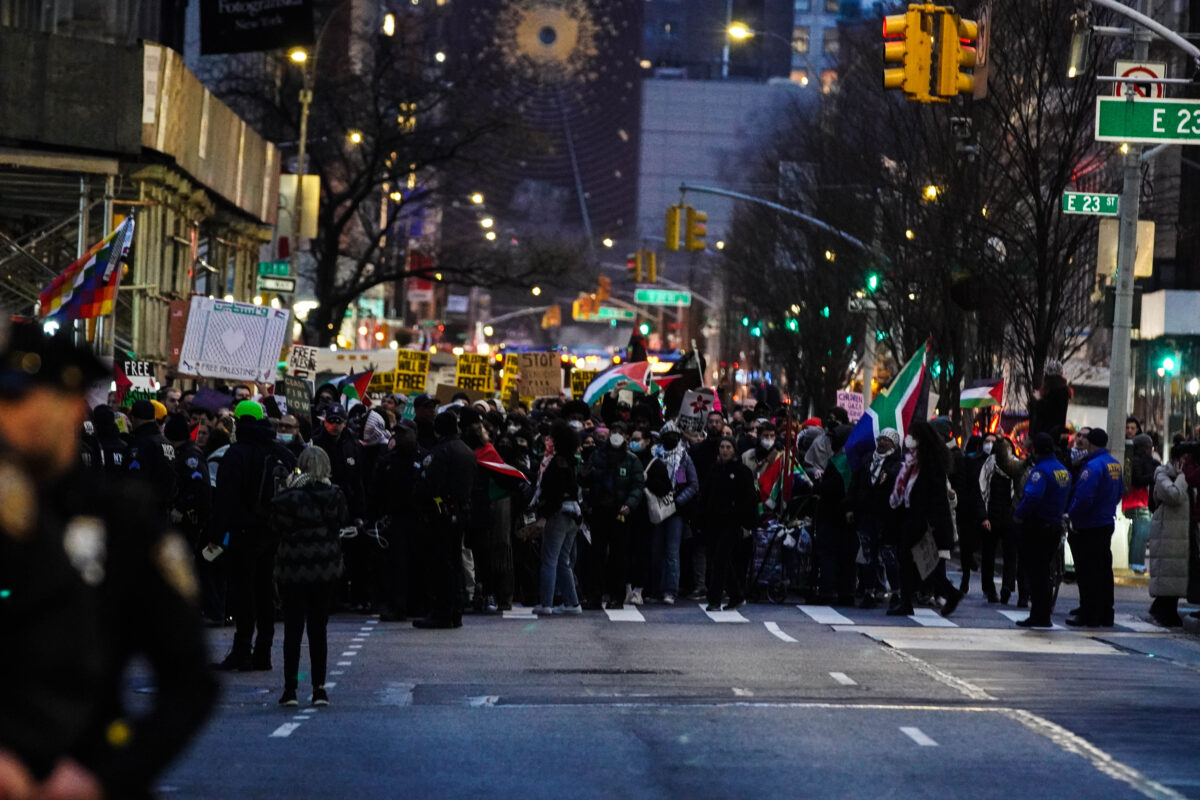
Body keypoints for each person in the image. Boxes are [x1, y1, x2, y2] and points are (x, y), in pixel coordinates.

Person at [0, 322, 217, 800]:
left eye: (21, 399)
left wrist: (104, 777)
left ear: (71, 405)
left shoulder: (122, 522)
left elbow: (189, 683)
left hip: (88, 767)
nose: (6, 417)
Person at [208, 400, 299, 670]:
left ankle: (242, 651)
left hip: (243, 534)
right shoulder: (282, 453)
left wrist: (216, 534)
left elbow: (224, 499)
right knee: (265, 594)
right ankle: (264, 652)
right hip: (275, 533)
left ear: (238, 420)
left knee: (243, 594)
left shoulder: (236, 454)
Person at [272, 447, 348, 707]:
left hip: (292, 568)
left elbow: (275, 525)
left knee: (293, 629)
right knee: (319, 629)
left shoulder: (287, 497)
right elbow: (341, 521)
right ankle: (319, 688)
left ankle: (290, 689)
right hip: (325, 567)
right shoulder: (335, 495)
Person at [888, 420, 962, 617]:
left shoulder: (929, 463)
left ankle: (907, 602)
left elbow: (932, 495)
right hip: (919, 518)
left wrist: (928, 522)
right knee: (923, 561)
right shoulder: (923, 460)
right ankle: (949, 593)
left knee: (910, 558)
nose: (909, 438)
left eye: (913, 435)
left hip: (925, 520)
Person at [414, 411, 476, 628]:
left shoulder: (439, 453)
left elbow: (430, 485)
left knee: (440, 564)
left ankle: (441, 612)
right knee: (455, 563)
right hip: (461, 512)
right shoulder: (467, 451)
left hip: (440, 513)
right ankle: (455, 611)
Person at [580, 423, 645, 609]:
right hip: (600, 510)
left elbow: (637, 485)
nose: (616, 436)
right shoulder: (598, 456)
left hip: (620, 513)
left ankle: (616, 596)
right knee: (596, 555)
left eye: (620, 433)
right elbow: (586, 480)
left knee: (618, 556)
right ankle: (595, 595)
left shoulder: (631, 460)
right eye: (613, 432)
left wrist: (629, 504)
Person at [1011, 433, 1071, 628]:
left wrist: (1018, 514)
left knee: (1036, 573)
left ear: (1036, 450)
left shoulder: (1040, 472)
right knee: (1045, 571)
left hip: (1037, 526)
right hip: (1054, 525)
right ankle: (1043, 613)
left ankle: (1039, 614)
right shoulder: (1063, 471)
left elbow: (1032, 498)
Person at [1066, 427, 1123, 627]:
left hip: (1088, 525)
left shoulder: (1093, 467)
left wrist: (1071, 514)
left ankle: (1088, 613)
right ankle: (1106, 612)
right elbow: (1119, 493)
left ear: (1090, 443)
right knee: (1103, 571)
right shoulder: (1115, 465)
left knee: (1087, 572)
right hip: (1106, 522)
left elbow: (1083, 497)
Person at [532, 422, 584, 615]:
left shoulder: (556, 463)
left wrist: (544, 515)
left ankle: (546, 603)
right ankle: (572, 603)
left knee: (550, 559)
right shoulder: (573, 461)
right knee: (563, 560)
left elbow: (551, 492)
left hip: (558, 514)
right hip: (574, 514)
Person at [848, 428, 903, 609]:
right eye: (880, 439)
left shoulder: (897, 464)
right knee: (868, 557)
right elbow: (855, 485)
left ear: (893, 444)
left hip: (888, 518)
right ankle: (869, 592)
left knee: (889, 557)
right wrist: (850, 507)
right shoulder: (866, 460)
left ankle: (896, 593)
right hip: (866, 515)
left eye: (887, 440)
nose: (882, 443)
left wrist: (889, 476)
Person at [646, 422, 699, 605]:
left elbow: (691, 484)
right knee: (655, 549)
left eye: (675, 436)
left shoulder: (683, 457)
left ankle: (670, 590)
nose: (671, 439)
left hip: (675, 510)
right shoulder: (655, 455)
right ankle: (655, 589)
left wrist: (678, 501)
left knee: (672, 550)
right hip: (656, 506)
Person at [703, 437, 758, 611]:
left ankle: (714, 600)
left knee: (720, 559)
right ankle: (736, 595)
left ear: (734, 450)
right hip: (713, 522)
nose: (724, 450)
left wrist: (747, 523)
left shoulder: (742, 471)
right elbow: (706, 495)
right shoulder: (714, 470)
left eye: (728, 447)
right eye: (722, 447)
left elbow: (750, 499)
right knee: (717, 559)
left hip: (732, 522)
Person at [1147, 445, 1193, 627]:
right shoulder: (1162, 473)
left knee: (1176, 575)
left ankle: (1162, 608)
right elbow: (1174, 495)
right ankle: (1163, 610)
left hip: (1181, 533)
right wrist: (1182, 476)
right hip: (1167, 533)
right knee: (1168, 573)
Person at [814, 425, 856, 605]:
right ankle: (846, 593)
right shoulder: (854, 462)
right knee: (847, 558)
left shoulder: (838, 463)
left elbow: (830, 489)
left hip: (831, 516)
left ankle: (828, 592)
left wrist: (819, 485)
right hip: (848, 518)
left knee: (829, 555)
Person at [978, 434, 1019, 604]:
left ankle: (1007, 587)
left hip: (1011, 515)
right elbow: (981, 489)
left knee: (1011, 554)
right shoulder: (989, 465)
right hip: (992, 515)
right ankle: (989, 589)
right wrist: (983, 516)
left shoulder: (1017, 465)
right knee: (988, 555)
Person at [126, 399, 178, 520]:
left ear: (133, 418)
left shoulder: (140, 444)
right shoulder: (166, 443)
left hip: (144, 514)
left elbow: (134, 481)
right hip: (163, 512)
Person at [1124, 433, 1157, 574]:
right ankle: (1136, 564)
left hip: (1129, 502)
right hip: (1140, 501)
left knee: (1133, 536)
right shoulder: (1144, 461)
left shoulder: (1129, 459)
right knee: (1140, 537)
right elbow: (1139, 479)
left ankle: (1132, 563)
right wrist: (1155, 474)